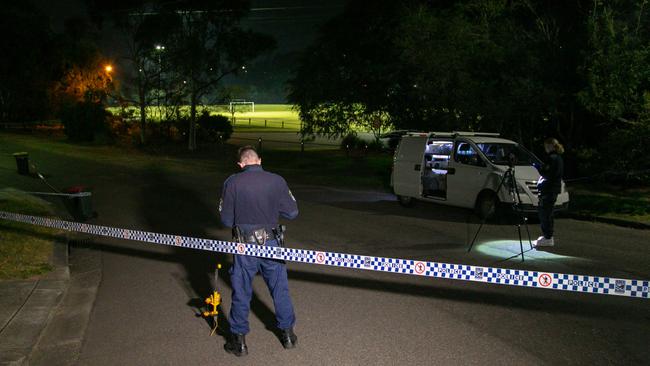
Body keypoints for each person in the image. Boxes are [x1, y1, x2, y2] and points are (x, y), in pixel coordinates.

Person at [218, 146, 299, 357]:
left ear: (241, 164)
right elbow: (292, 212)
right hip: (272, 244)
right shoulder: (276, 180)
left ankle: (239, 342)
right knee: (279, 288)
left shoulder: (232, 182)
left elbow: (226, 219)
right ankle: (288, 335)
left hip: (244, 245)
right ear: (260, 160)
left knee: (241, 291)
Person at [533, 138, 564, 247]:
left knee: (545, 214)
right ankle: (547, 236)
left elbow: (547, 173)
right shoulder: (558, 158)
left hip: (549, 190)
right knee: (547, 213)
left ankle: (548, 237)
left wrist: (538, 167)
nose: (545, 148)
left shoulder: (552, 158)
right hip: (552, 189)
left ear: (551, 146)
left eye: (546, 146)